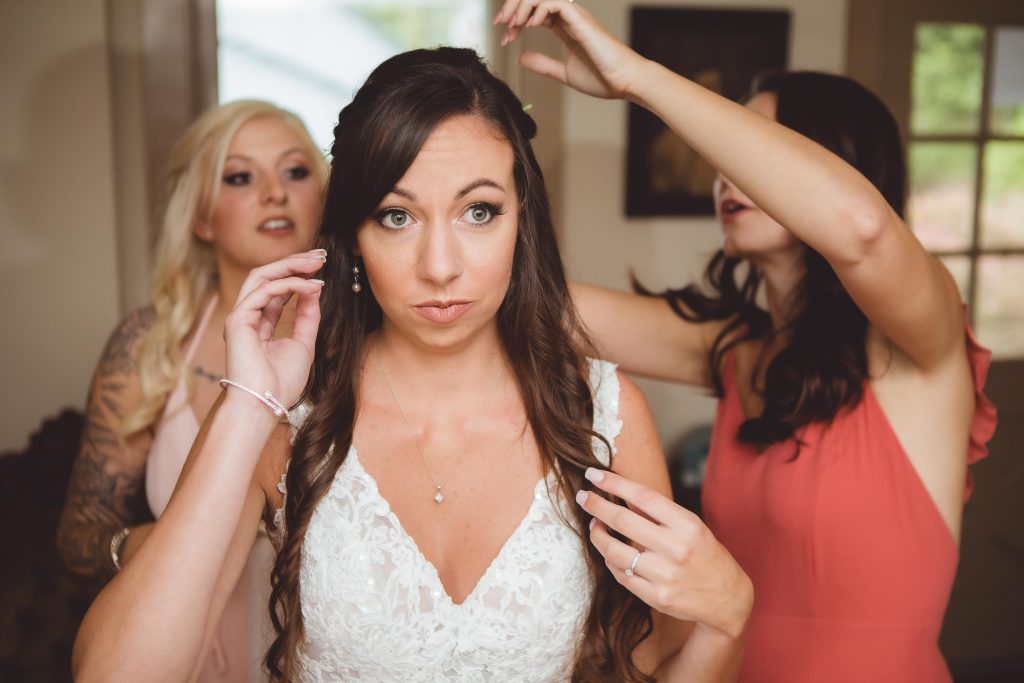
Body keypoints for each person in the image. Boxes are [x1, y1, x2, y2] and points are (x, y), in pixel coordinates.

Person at [70, 46, 752, 682]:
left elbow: (654, 658)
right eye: (397, 217)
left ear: (524, 222)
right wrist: (248, 401)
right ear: (353, 239)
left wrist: (728, 618)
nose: (440, 266)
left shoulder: (603, 412)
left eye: (479, 211)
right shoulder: (286, 417)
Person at [494, 1, 999, 681]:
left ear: (837, 163)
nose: (727, 173)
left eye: (754, 150)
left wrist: (637, 78)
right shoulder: (736, 353)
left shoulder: (921, 344)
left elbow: (864, 231)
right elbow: (535, 304)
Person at [57, 99, 326, 681]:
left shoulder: (366, 342)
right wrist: (181, 544)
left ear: (324, 196)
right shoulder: (149, 347)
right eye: (240, 177)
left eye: (296, 171)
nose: (275, 193)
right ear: (202, 218)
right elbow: (79, 541)